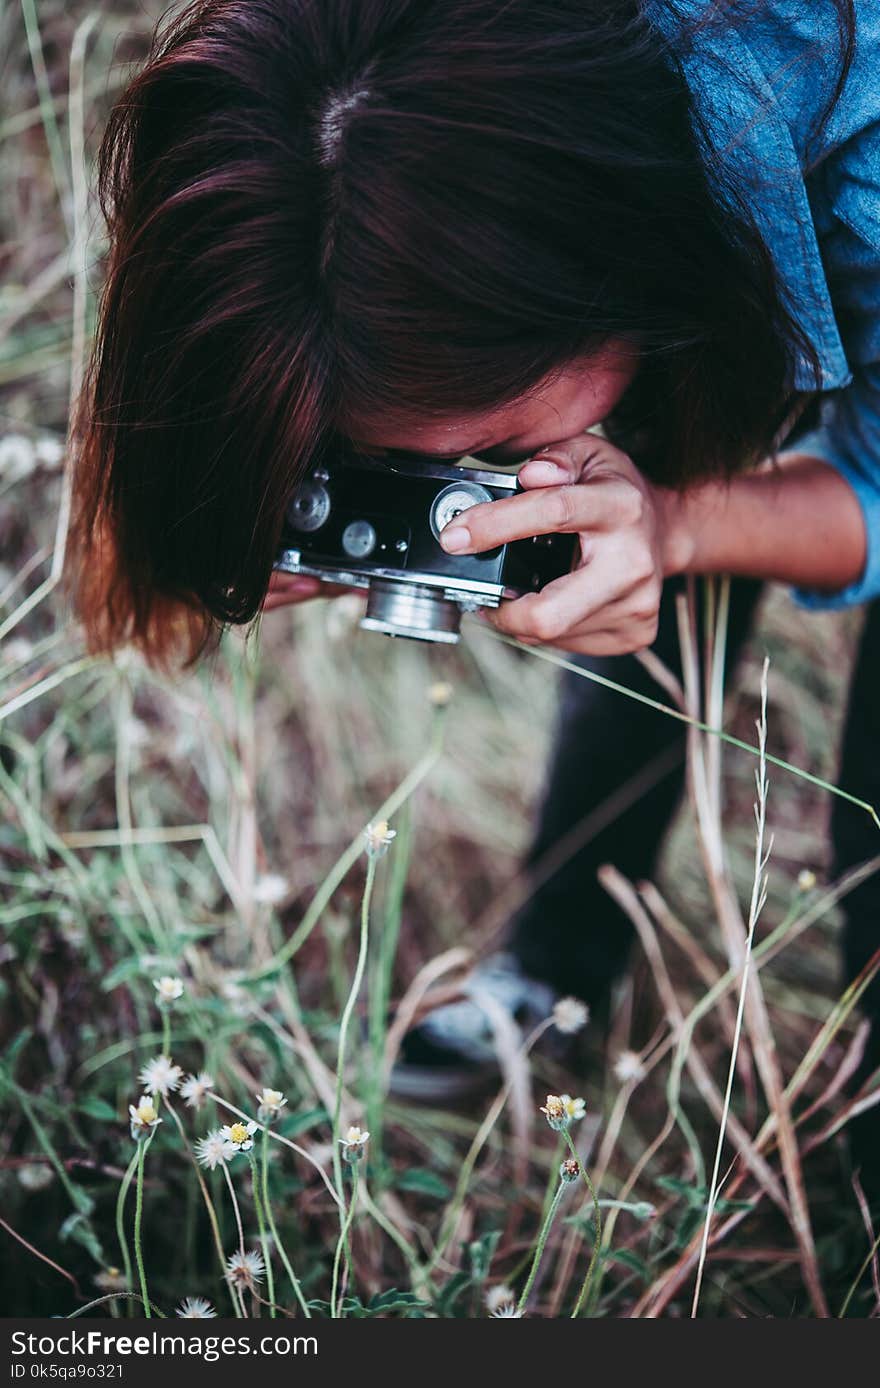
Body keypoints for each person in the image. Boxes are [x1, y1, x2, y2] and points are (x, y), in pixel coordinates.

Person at [67, 4, 879, 1171]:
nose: (466, 487)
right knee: (595, 551)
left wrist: (673, 522)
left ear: (611, 270)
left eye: (483, 443)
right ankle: (553, 970)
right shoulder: (373, 86)